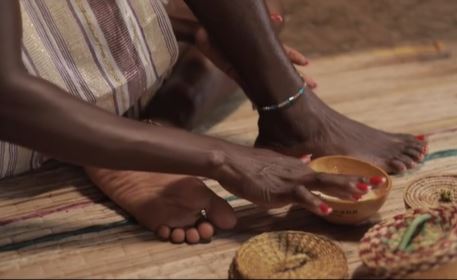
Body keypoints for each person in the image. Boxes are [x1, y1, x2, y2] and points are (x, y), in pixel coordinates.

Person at [0, 0, 426, 244]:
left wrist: (201, 28)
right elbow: (7, 98)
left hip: (81, 64)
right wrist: (224, 158)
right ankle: (135, 140)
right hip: (27, 115)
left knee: (254, 22)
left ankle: (157, 131)